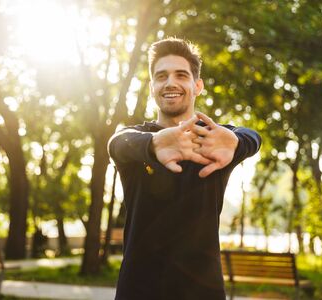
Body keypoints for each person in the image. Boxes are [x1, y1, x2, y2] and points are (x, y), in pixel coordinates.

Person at [108, 37, 261, 300]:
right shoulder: (137, 139)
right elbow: (116, 144)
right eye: (161, 76)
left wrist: (238, 140)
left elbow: (252, 136)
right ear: (152, 86)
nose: (170, 83)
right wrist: (154, 143)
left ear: (197, 85)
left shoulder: (215, 140)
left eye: (181, 75)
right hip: (139, 291)